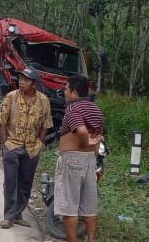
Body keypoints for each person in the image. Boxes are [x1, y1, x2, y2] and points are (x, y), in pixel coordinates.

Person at [0, 66, 53, 229]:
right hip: (13, 146)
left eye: (25, 80)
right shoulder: (11, 97)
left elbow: (45, 124)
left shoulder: (43, 101)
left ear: (34, 84)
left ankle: (18, 214)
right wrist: (5, 143)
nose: (21, 82)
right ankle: (8, 216)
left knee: (25, 183)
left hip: (32, 148)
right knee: (10, 181)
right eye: (20, 79)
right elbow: (2, 121)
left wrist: (40, 144)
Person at [55, 75, 104, 242]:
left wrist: (85, 141)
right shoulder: (95, 109)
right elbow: (98, 139)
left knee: (69, 209)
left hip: (72, 160)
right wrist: (93, 158)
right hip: (90, 160)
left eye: (66, 89)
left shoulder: (73, 108)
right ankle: (91, 240)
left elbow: (82, 131)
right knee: (89, 209)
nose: (65, 92)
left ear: (74, 92)